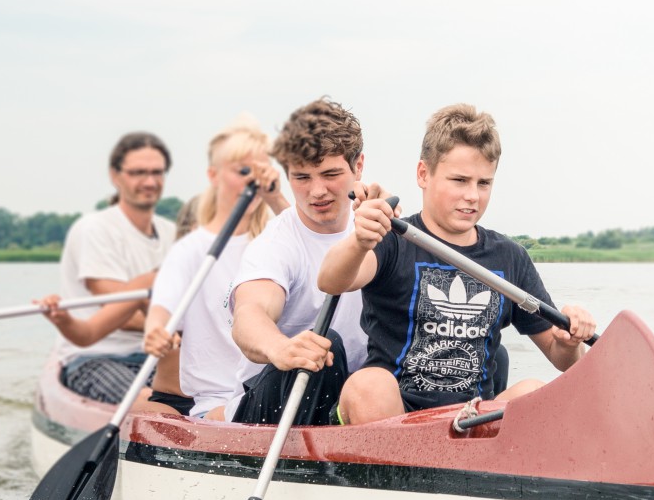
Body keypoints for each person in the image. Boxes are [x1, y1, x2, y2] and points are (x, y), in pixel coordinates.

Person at [317, 104, 596, 425]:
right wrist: (359, 241)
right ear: (423, 174)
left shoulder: (510, 257)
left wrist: (570, 341)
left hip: (469, 422)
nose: (472, 196)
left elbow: (564, 361)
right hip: (393, 416)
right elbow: (330, 281)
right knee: (369, 384)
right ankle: (398, 471)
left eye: (483, 183)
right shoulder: (392, 239)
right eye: (460, 180)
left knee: (534, 390)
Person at [227, 99, 390, 426]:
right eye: (302, 177)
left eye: (330, 174)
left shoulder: (380, 227)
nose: (317, 191)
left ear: (358, 166)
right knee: (326, 347)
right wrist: (280, 348)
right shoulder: (276, 244)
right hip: (267, 409)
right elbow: (249, 315)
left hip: (351, 396)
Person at [140, 119, 286, 419]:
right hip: (211, 400)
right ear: (213, 175)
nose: (253, 181)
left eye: (261, 171)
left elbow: (310, 240)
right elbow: (161, 309)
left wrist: (274, 196)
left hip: (266, 389)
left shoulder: (278, 238)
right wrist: (156, 331)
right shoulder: (191, 250)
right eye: (243, 171)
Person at [48, 132, 177, 402]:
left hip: (156, 356)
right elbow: (122, 312)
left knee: (210, 394)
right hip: (97, 357)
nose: (150, 182)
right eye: (138, 173)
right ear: (115, 175)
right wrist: (172, 329)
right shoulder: (94, 229)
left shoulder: (172, 233)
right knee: (147, 401)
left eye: (157, 172)